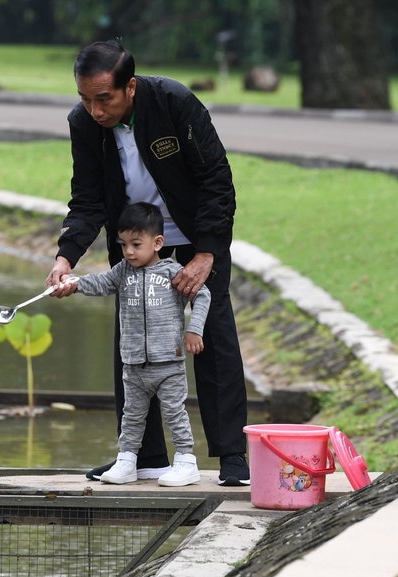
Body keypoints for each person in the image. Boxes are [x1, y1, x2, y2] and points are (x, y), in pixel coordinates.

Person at [47, 39, 250, 486]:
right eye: (85, 99)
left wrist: (206, 252)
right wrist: (66, 257)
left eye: (105, 99)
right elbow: (87, 198)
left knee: (212, 336)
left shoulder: (173, 102)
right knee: (134, 343)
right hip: (137, 247)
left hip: (196, 241)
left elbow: (216, 178)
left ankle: (233, 456)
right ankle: (145, 455)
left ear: (131, 87)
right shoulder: (84, 123)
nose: (95, 110)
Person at [58, 202, 209, 486]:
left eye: (136, 244)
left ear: (157, 242)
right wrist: (74, 283)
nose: (128, 251)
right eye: (123, 244)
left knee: (175, 413)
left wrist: (194, 330)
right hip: (134, 363)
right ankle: (127, 460)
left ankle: (186, 462)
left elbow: (202, 296)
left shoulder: (172, 273)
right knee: (132, 416)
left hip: (169, 363)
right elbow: (100, 283)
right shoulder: (122, 272)